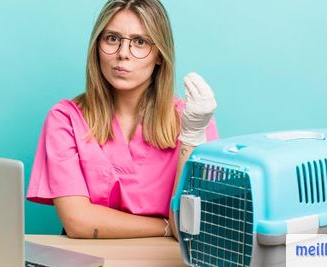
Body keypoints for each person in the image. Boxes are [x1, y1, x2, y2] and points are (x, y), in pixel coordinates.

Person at [26, 0, 218, 240]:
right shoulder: (66, 118)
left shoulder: (193, 122)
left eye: (140, 42)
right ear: (97, 46)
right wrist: (166, 226)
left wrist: (190, 139)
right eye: (112, 38)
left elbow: (189, 229)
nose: (122, 54)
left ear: (160, 54)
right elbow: (78, 222)